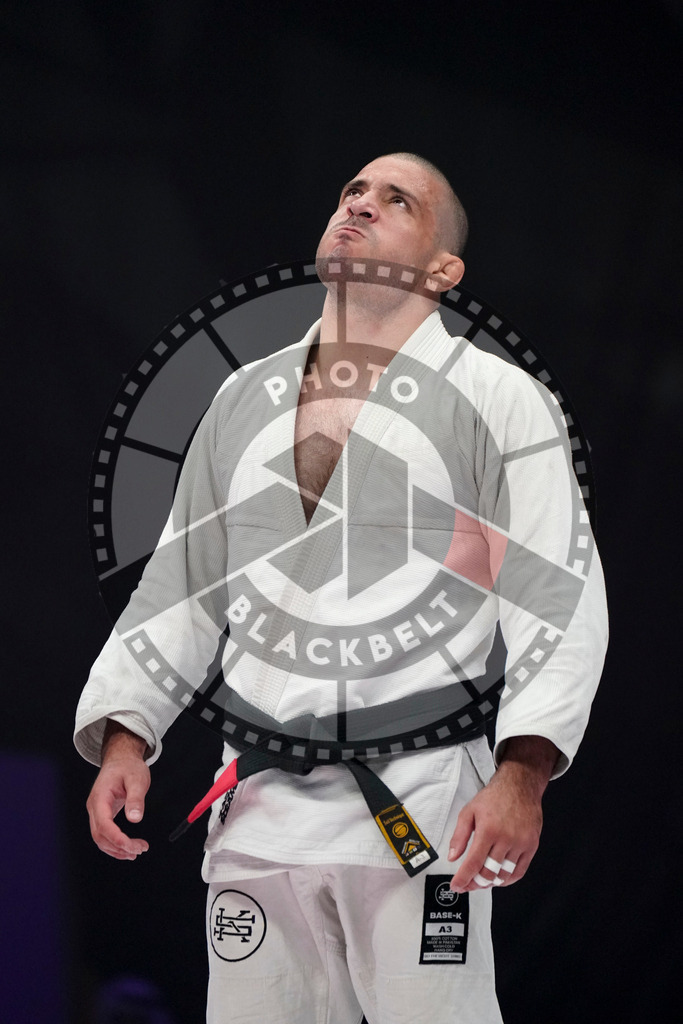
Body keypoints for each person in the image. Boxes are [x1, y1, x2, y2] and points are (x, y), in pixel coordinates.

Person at [76, 153, 609, 1024]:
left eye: (397, 201)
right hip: (258, 809)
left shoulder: (498, 398)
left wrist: (523, 775)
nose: (360, 205)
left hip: (420, 800)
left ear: (443, 269)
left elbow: (558, 594)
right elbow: (181, 582)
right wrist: (128, 732)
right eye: (351, 192)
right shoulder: (243, 396)